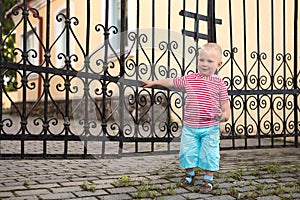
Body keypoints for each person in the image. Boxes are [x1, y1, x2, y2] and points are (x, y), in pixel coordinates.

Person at [141, 43, 230, 193]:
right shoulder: (190, 79)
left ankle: (208, 180)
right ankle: (189, 175)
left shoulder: (219, 83)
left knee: (210, 153)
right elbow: (171, 82)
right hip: (190, 127)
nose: (204, 64)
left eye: (209, 61)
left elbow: (225, 103)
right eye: (201, 60)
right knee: (187, 152)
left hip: (210, 127)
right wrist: (155, 82)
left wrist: (226, 114)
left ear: (219, 64)